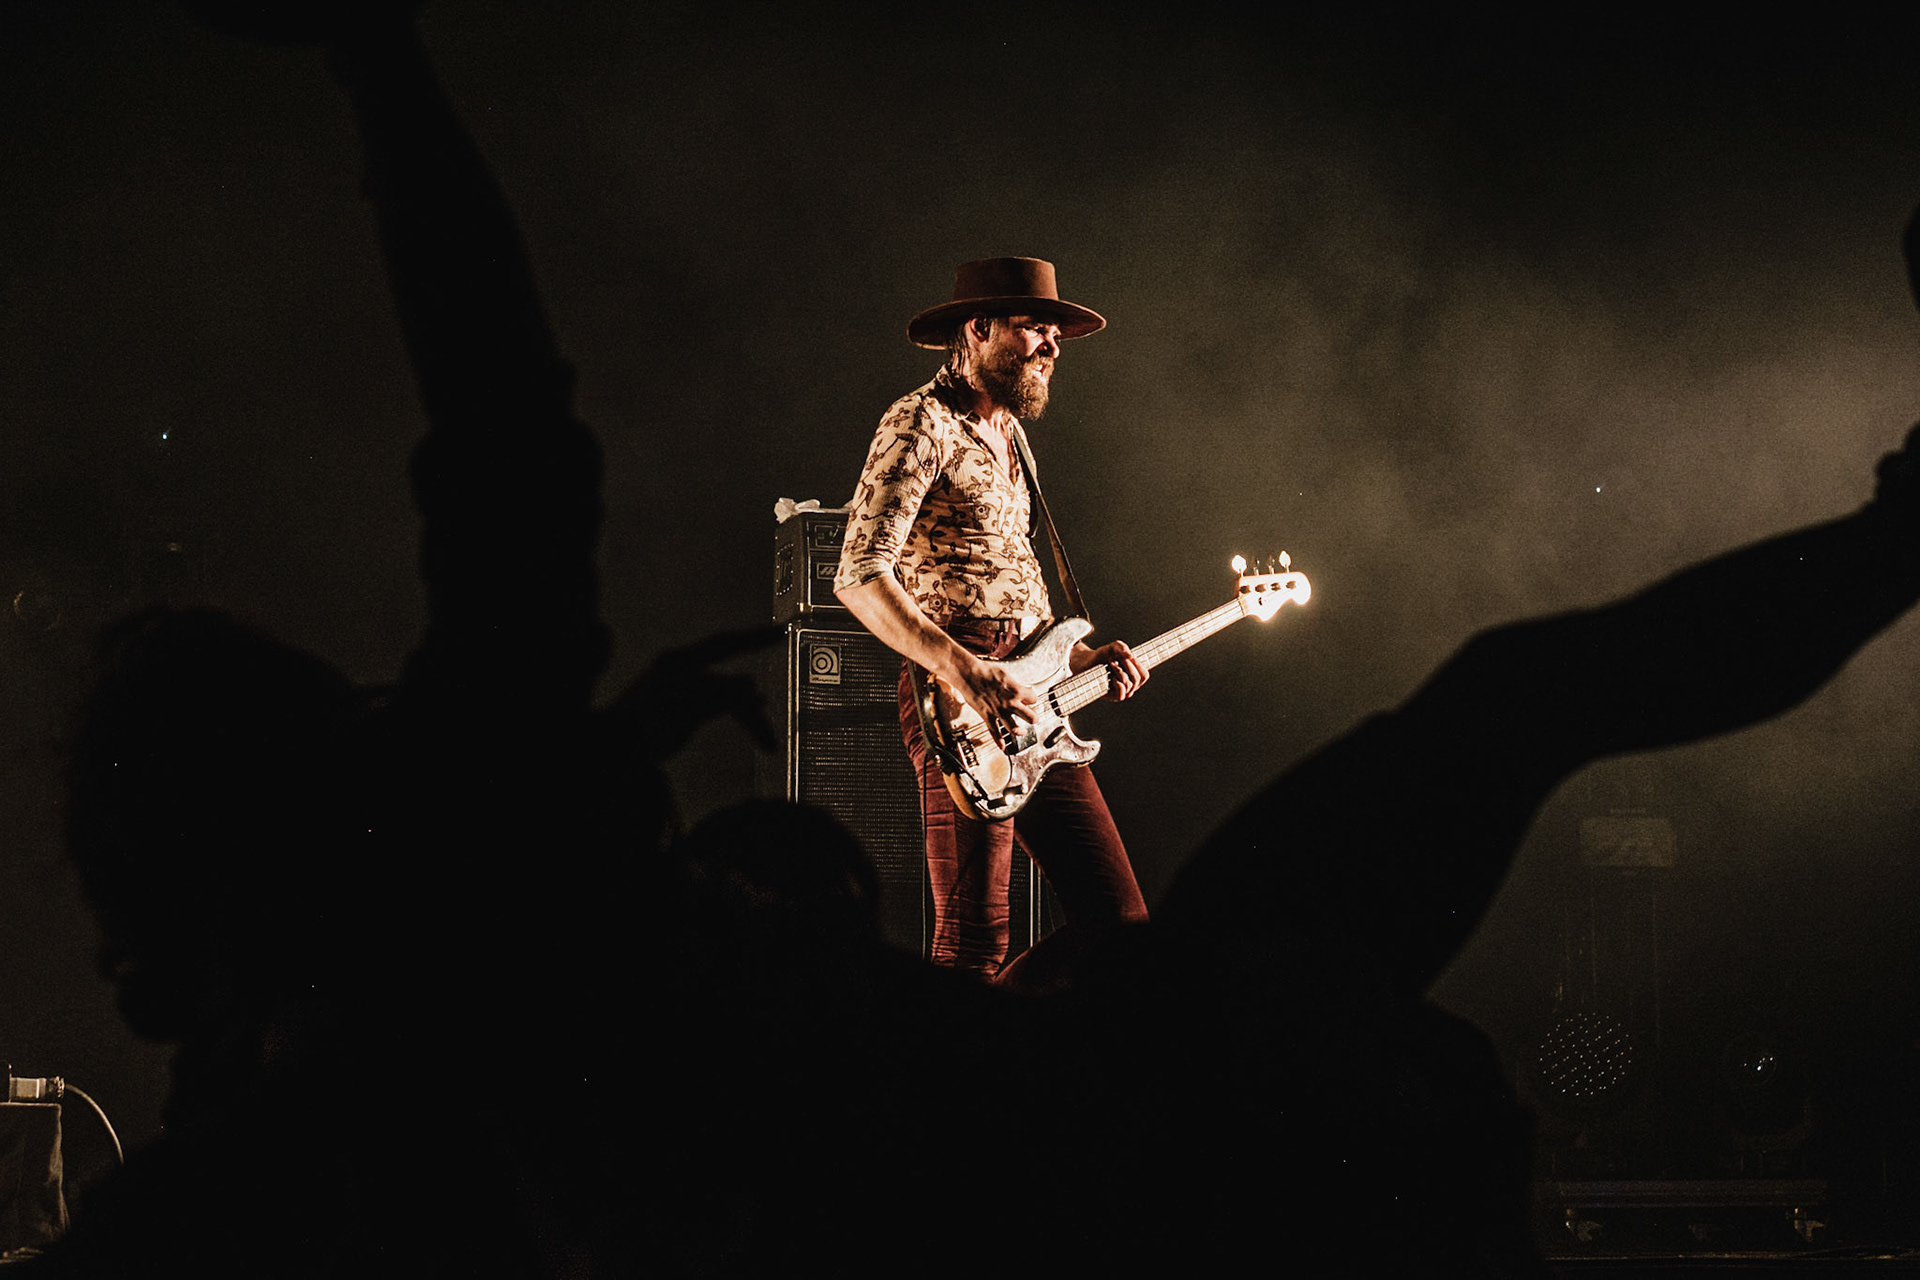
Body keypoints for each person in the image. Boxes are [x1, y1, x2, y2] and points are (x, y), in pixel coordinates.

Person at [833, 257, 1150, 992]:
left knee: (1120, 924)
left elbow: (1009, 576)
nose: (1052, 345)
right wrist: (962, 669)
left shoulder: (1013, 438)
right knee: (974, 938)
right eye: (1033, 327)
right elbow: (858, 574)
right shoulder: (920, 420)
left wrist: (1076, 659)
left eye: (1054, 332)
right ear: (977, 331)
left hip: (1030, 686)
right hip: (957, 687)